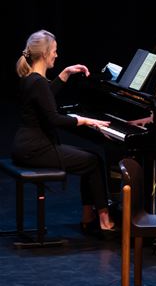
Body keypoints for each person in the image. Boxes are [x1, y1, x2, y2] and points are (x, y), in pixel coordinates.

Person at [12, 29, 116, 236]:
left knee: (91, 159)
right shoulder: (38, 82)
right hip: (36, 149)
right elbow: (55, 119)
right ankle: (104, 219)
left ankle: (89, 216)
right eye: (54, 51)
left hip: (26, 146)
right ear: (44, 54)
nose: (56, 55)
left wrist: (65, 73)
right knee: (93, 161)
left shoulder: (29, 78)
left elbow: (45, 96)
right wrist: (86, 120)